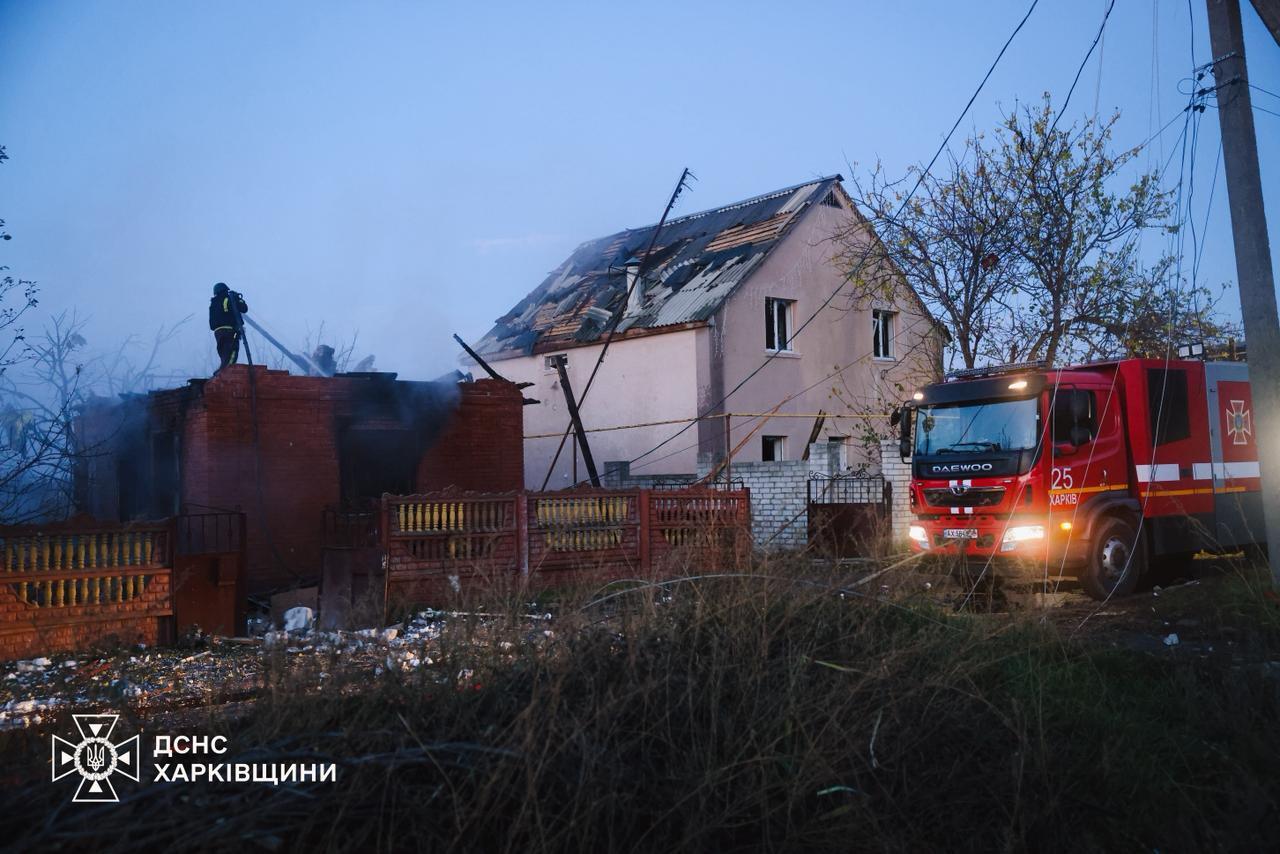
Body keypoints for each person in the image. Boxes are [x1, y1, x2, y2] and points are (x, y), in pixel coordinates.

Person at [209, 283, 248, 374]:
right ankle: (224, 373)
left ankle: (221, 371)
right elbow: (244, 308)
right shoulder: (228, 298)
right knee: (232, 352)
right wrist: (238, 298)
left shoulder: (213, 304)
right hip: (229, 331)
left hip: (218, 333)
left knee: (224, 355)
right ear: (225, 290)